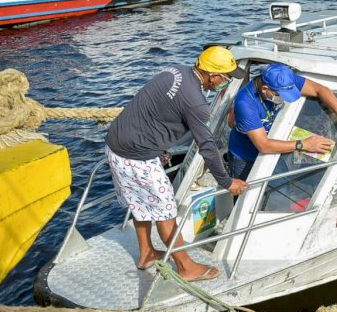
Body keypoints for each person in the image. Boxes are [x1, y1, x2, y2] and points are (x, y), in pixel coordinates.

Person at [105, 46, 248, 281]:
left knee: (141, 202)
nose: (227, 81)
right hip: (137, 157)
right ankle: (186, 267)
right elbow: (208, 147)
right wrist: (226, 181)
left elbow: (153, 110)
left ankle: (147, 254)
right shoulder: (196, 102)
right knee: (165, 211)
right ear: (212, 76)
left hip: (117, 146)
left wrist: (158, 147)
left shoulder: (176, 71)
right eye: (226, 77)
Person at [228, 63, 337, 180]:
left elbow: (321, 90)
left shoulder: (284, 79)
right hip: (246, 155)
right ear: (265, 89)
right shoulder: (245, 103)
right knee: (244, 196)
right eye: (280, 95)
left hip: (274, 146)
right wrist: (303, 145)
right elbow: (263, 145)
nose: (283, 98)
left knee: (279, 188)